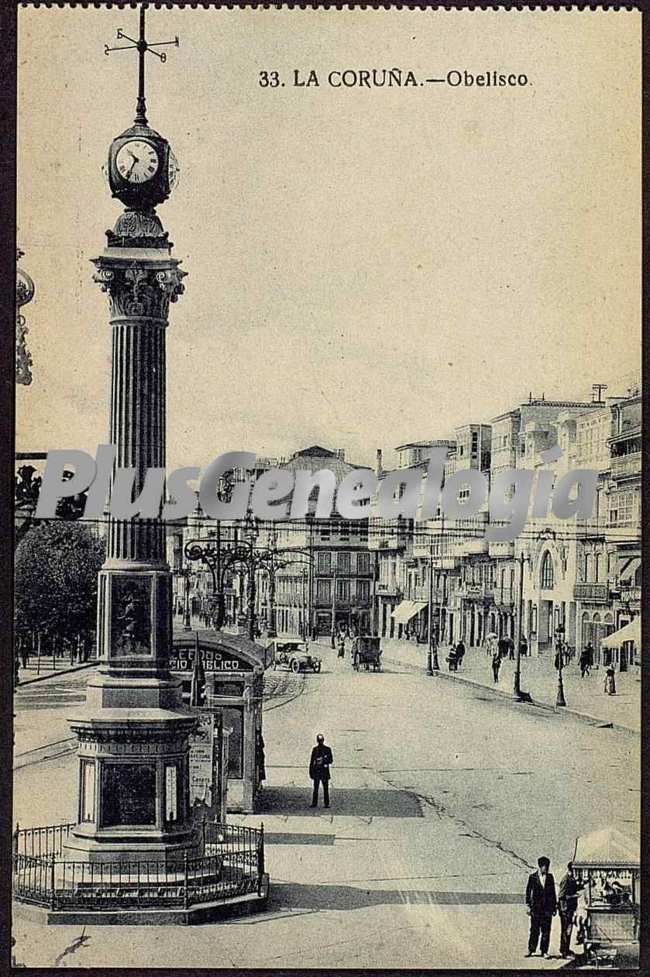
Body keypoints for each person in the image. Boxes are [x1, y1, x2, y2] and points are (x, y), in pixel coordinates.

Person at [525, 856, 557, 958]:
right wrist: (528, 906)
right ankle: (531, 949)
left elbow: (553, 893)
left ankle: (544, 951)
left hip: (547, 909)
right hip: (536, 909)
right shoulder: (532, 877)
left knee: (546, 931)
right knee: (534, 930)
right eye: (545, 866)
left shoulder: (550, 877)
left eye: (548, 866)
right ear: (540, 866)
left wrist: (554, 907)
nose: (546, 868)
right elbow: (528, 892)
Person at [558, 861, 584, 958]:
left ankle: (566, 949)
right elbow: (561, 896)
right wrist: (574, 896)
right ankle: (564, 952)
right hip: (565, 909)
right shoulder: (566, 879)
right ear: (572, 869)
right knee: (566, 930)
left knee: (569, 930)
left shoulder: (571, 879)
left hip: (570, 909)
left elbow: (575, 888)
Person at [309, 733, 333, 808]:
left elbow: (331, 760)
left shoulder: (327, 749)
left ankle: (326, 803)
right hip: (317, 771)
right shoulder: (315, 750)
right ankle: (314, 803)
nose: (320, 742)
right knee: (316, 788)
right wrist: (311, 772)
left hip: (324, 771)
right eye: (319, 741)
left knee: (325, 788)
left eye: (321, 740)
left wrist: (323, 760)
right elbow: (312, 761)